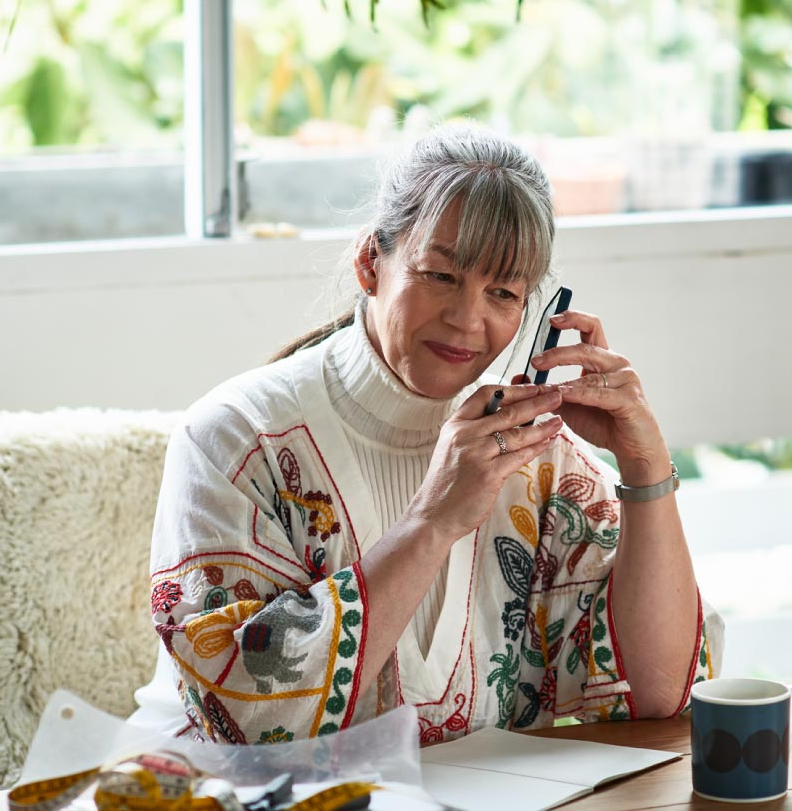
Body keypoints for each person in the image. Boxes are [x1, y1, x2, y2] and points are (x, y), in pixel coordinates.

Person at [130, 122, 722, 744]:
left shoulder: (535, 460)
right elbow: (248, 720)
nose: (468, 320)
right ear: (370, 262)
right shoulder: (233, 441)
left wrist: (646, 468)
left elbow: (657, 691)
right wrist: (432, 522)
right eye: (440, 276)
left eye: (503, 292)